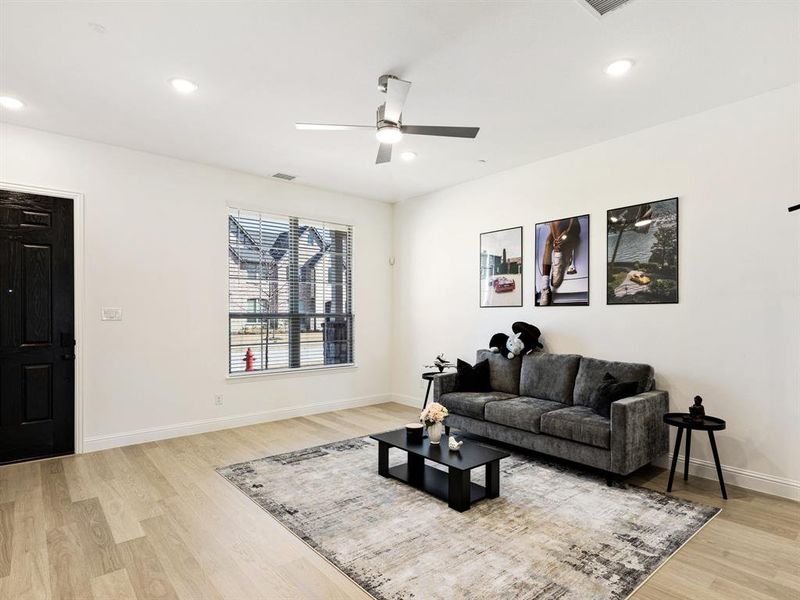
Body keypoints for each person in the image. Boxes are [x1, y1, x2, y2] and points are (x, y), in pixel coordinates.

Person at [539, 218, 581, 306]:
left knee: (557, 223)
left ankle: (558, 258)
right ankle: (545, 287)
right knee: (547, 242)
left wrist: (568, 230)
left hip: (572, 227)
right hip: (557, 232)